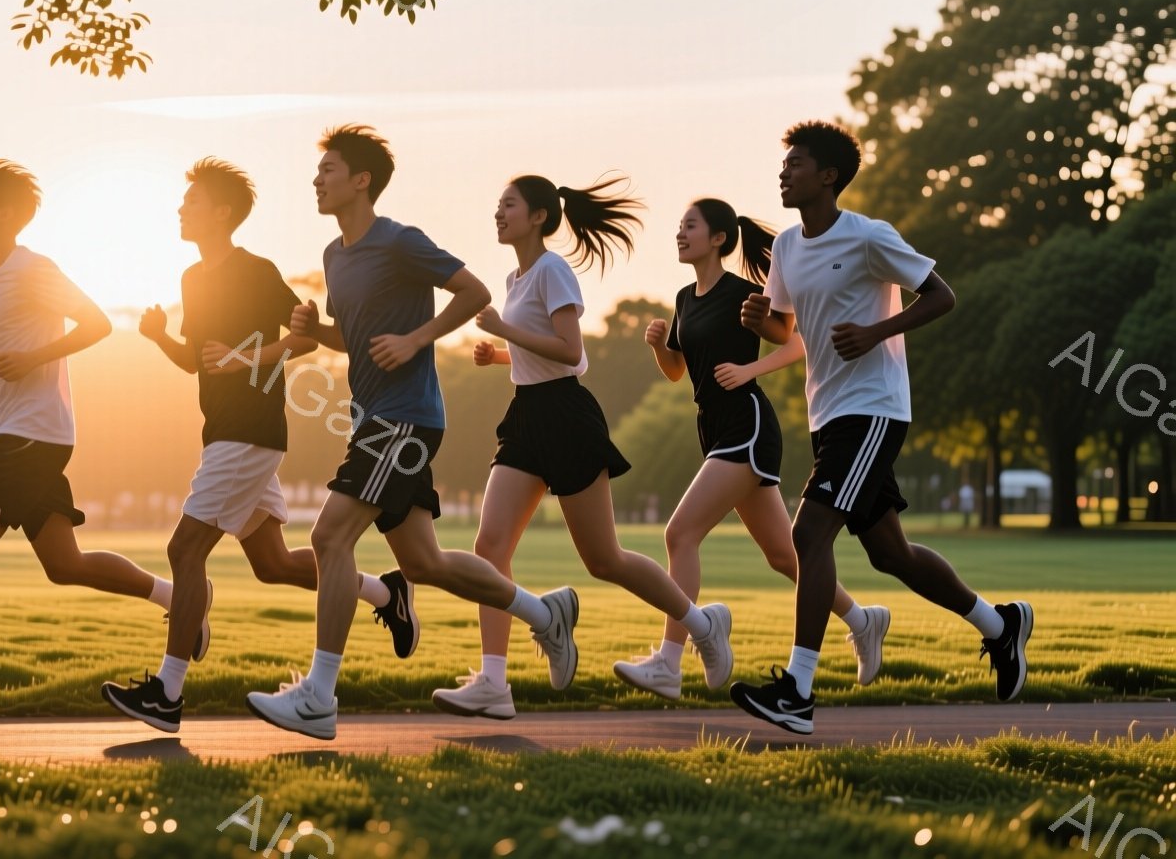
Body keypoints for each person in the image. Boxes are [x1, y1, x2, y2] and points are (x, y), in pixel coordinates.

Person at [244, 125, 579, 741]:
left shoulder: (399, 241)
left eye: (329, 170)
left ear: (362, 179)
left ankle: (319, 694)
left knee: (328, 537)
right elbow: (358, 341)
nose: (317, 181)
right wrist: (317, 331)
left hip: (406, 417)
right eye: (318, 173)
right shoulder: (334, 256)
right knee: (423, 562)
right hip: (377, 416)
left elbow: (473, 291)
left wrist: (418, 338)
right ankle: (545, 611)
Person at [729, 122, 1033, 735]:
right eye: (783, 164)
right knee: (890, 553)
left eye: (796, 164)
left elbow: (942, 296)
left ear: (828, 176)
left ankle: (798, 691)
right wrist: (760, 319)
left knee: (809, 534)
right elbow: (787, 332)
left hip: (873, 408)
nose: (783, 173)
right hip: (828, 411)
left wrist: (876, 332)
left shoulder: (869, 236)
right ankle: (1001, 627)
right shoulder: (786, 246)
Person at [0, 158, 202, 734]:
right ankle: (178, 601)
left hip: (28, 434)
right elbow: (9, 356)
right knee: (64, 564)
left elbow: (98, 323)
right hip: (31, 432)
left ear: (7, 213)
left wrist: (34, 358)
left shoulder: (35, 268)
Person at [101, 158, 412, 734]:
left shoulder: (255, 271)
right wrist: (159, 338)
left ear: (222, 212)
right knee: (271, 564)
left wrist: (249, 357)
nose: (180, 209)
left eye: (191, 201)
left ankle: (167, 694)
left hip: (250, 432)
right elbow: (201, 361)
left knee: (185, 551)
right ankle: (384, 593)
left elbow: (304, 340)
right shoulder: (193, 280)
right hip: (225, 430)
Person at [431, 175, 734, 720]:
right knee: (490, 545)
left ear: (540, 217)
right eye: (497, 205)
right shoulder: (515, 276)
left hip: (568, 419)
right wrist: (500, 356)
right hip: (526, 416)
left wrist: (505, 331)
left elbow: (573, 354)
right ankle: (494, 683)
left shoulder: (552, 270)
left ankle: (700, 624)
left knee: (604, 559)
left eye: (508, 205)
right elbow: (541, 355)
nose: (498, 213)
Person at [614, 198, 888, 700]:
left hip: (748, 424)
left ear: (718, 238)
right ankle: (862, 619)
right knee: (785, 556)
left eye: (689, 225)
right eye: (679, 225)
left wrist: (748, 371)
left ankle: (669, 662)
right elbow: (678, 373)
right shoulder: (683, 298)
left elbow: (796, 343)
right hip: (714, 427)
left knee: (680, 534)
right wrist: (659, 346)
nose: (680, 233)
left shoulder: (744, 292)